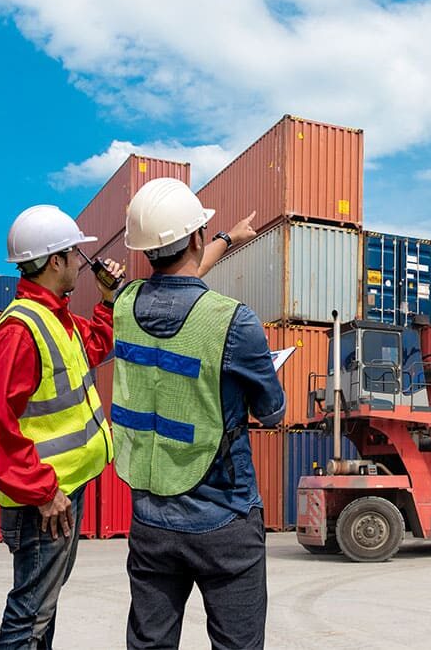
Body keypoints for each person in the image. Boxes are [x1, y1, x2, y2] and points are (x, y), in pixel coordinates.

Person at [111, 178, 285, 650]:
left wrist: (228, 238)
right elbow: (272, 412)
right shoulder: (234, 320)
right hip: (224, 517)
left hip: (150, 519)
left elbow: (175, 287)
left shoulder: (123, 306)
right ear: (194, 237)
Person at [0, 205, 124, 650]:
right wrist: (42, 491)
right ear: (55, 260)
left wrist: (108, 300)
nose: (80, 263)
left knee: (42, 609)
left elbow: (95, 345)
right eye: (75, 254)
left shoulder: (57, 319)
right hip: (43, 503)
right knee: (30, 614)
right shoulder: (20, 331)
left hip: (59, 493)